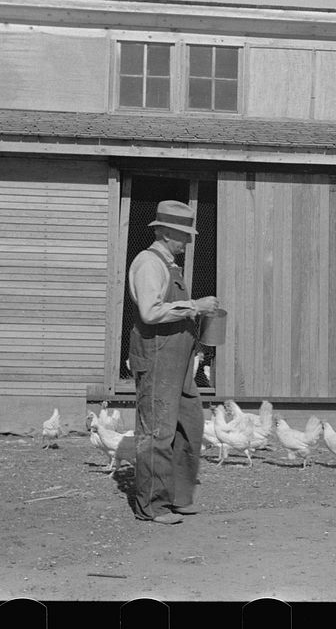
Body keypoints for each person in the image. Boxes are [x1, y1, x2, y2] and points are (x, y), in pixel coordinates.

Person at [125, 200, 219, 525]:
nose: (188, 241)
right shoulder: (149, 263)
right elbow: (150, 313)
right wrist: (195, 306)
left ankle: (178, 496)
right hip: (156, 355)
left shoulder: (170, 264)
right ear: (164, 232)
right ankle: (152, 505)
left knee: (190, 424)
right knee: (157, 430)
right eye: (183, 235)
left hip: (177, 358)